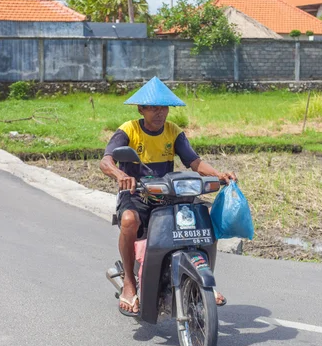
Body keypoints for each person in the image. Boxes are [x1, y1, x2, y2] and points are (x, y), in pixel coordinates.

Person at [100, 77, 237, 316]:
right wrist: (119, 173)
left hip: (168, 195)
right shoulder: (128, 130)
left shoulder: (173, 131)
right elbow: (106, 160)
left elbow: (194, 162)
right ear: (141, 109)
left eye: (163, 107)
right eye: (153, 107)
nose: (159, 112)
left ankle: (205, 279)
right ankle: (130, 283)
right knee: (129, 221)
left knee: (204, 218)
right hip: (136, 195)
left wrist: (218, 174)